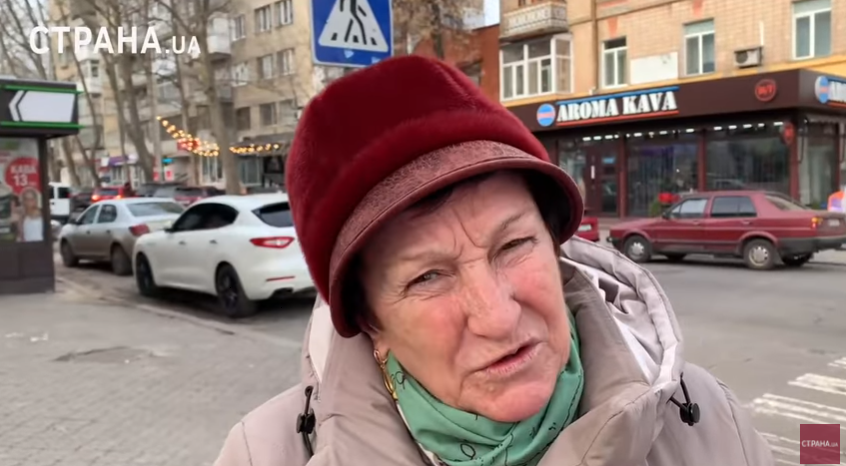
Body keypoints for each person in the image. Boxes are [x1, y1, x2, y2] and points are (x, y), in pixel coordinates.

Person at [213, 56, 773, 466]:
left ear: (554, 247)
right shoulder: (264, 454)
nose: (499, 318)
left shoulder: (703, 418)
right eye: (428, 276)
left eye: (513, 245)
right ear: (370, 323)